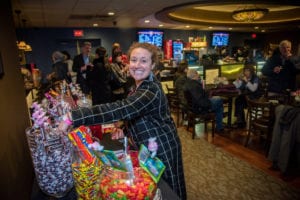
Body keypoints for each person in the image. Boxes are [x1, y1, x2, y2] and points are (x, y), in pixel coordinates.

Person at [59, 42, 187, 199]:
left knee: (170, 191)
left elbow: (123, 108)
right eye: (134, 60)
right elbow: (137, 113)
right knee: (152, 191)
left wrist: (74, 116)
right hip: (147, 147)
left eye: (144, 61)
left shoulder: (150, 89)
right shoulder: (137, 85)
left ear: (153, 64)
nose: (137, 65)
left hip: (162, 147)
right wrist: (125, 129)